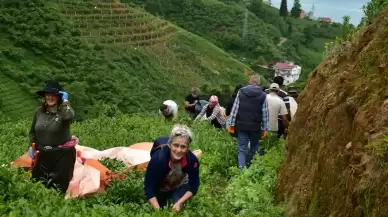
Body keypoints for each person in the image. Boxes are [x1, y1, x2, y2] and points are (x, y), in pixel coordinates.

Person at [28, 80, 76, 193]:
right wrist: (32, 146)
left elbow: (68, 116)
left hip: (61, 155)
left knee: (58, 189)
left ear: (59, 97)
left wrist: (65, 101)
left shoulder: (63, 111)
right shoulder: (39, 111)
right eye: (47, 94)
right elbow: (32, 132)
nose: (50, 97)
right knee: (37, 186)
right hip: (42, 153)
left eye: (53, 95)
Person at [144, 124, 200, 212]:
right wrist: (159, 212)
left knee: (176, 203)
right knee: (160, 206)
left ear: (188, 148)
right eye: (176, 145)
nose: (178, 150)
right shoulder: (158, 159)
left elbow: (194, 185)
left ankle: (176, 198)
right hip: (161, 187)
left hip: (179, 184)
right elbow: (149, 187)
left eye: (183, 147)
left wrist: (179, 203)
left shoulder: (192, 160)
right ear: (169, 144)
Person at [227, 75, 270, 170]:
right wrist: (264, 129)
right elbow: (265, 114)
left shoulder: (241, 92)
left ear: (249, 82)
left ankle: (242, 171)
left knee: (242, 149)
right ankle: (250, 168)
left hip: (242, 126)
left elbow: (235, 109)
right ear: (259, 84)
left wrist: (231, 124)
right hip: (256, 127)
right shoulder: (263, 95)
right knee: (254, 149)